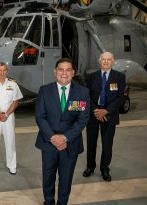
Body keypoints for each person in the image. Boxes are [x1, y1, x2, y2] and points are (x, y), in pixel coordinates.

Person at [35, 58, 90, 205]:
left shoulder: (82, 92)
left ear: (73, 73)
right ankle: (48, 202)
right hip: (48, 143)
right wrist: (53, 137)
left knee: (66, 179)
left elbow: (82, 119)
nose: (64, 73)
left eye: (68, 70)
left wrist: (65, 138)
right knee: (48, 177)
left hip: (70, 144)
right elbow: (40, 117)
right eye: (61, 69)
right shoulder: (44, 91)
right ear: (55, 72)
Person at [83, 52, 126, 182]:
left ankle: (104, 169)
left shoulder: (119, 77)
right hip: (93, 115)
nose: (106, 62)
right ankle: (90, 166)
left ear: (113, 61)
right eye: (103, 59)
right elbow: (87, 95)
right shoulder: (91, 76)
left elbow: (120, 97)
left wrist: (105, 111)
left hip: (110, 115)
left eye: (108, 60)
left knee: (107, 144)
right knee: (91, 143)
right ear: (99, 61)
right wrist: (96, 110)